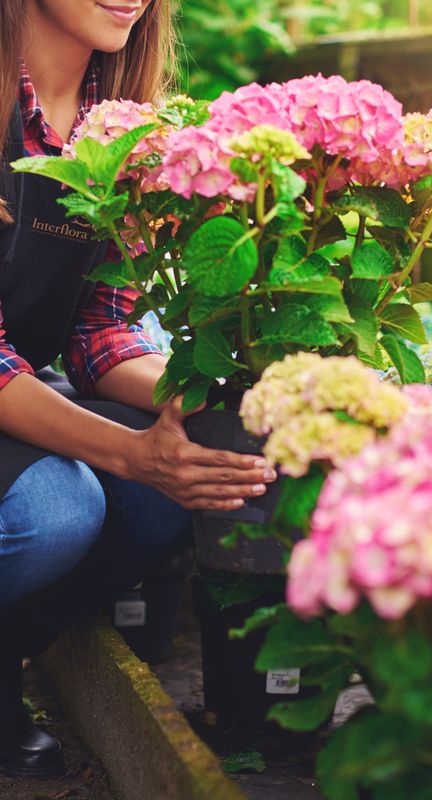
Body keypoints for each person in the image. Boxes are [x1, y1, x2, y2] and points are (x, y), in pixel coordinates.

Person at [0, 0, 276, 778]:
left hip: (21, 393)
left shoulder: (122, 132)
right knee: (56, 510)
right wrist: (128, 451)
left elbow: (99, 335)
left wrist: (215, 400)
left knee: (170, 495)